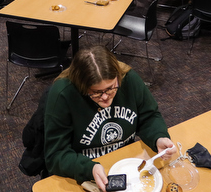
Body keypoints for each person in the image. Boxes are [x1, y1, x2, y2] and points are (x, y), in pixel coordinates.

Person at [44, 46, 174, 191]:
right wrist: (88, 168)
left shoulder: (128, 78)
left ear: (118, 77)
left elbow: (149, 116)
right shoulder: (63, 93)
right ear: (82, 86)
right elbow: (55, 155)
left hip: (124, 162)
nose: (105, 97)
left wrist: (158, 137)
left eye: (111, 88)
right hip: (85, 165)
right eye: (96, 92)